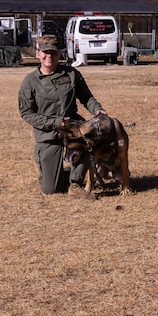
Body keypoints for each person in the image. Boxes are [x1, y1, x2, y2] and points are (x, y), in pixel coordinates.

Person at [18, 34, 107, 199]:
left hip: (73, 128)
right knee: (51, 189)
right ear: (38, 54)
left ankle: (75, 183)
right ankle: (63, 173)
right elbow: (27, 113)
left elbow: (86, 97)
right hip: (48, 134)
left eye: (53, 52)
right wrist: (55, 123)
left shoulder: (72, 74)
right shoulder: (30, 81)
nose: (49, 56)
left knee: (89, 136)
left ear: (59, 54)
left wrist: (97, 110)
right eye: (45, 53)